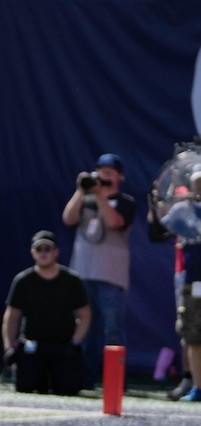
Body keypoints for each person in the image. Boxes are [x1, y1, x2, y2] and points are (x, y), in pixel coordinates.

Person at [62, 153, 135, 389]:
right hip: (82, 273)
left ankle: (114, 382)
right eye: (101, 170)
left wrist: (100, 195)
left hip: (110, 277)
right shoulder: (86, 198)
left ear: (119, 176)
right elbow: (68, 218)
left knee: (113, 330)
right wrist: (81, 190)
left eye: (110, 171)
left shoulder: (126, 202)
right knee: (84, 329)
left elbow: (114, 222)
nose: (104, 174)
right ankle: (83, 378)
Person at [2, 230, 91, 395]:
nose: (43, 253)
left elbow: (84, 315)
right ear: (33, 253)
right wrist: (9, 348)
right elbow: (11, 317)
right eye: (39, 249)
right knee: (25, 387)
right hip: (33, 345)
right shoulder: (23, 281)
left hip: (63, 346)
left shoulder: (72, 280)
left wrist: (75, 342)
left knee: (69, 388)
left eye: (47, 249)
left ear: (56, 252)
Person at [160, 170, 201, 401]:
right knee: (193, 337)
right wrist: (171, 191)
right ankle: (197, 385)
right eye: (198, 184)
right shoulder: (185, 211)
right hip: (194, 281)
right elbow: (161, 223)